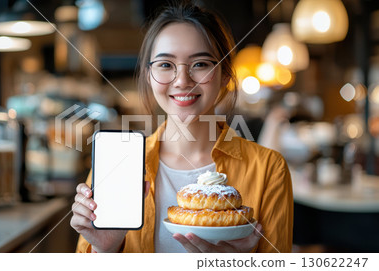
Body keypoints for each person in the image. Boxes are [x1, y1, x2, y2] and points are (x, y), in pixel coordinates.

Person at [71, 1, 293, 253]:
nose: (182, 80)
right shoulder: (114, 167)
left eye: (200, 64)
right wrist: (107, 252)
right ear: (148, 76)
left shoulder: (269, 169)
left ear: (226, 75)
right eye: (166, 65)